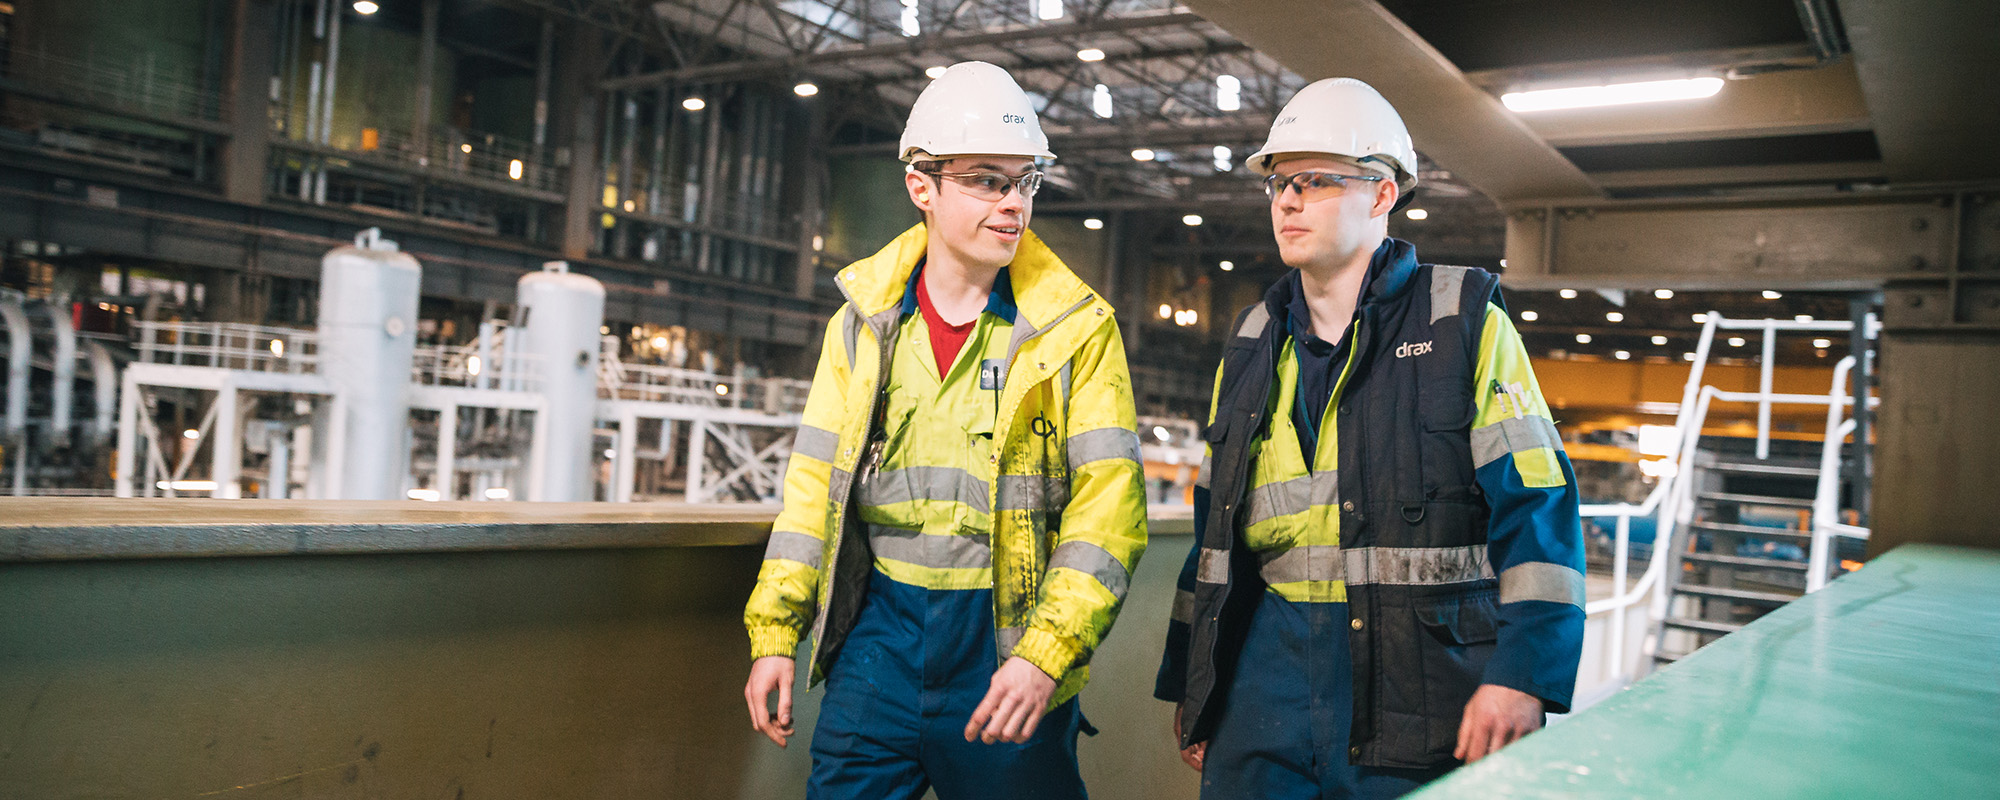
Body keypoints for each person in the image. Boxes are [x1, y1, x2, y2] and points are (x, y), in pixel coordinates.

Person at [1153, 77, 1586, 799]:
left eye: (1317, 180)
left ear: (1383, 194)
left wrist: (1523, 674)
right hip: (1264, 691)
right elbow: (1214, 540)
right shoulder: (1254, 340)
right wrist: (1191, 685)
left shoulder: (1461, 320)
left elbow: (1538, 510)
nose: (1288, 200)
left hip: (1421, 691)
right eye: (1280, 184)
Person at [741, 61, 1149, 800]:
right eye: (987, 180)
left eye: (1025, 181)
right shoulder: (863, 327)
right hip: (878, 644)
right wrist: (777, 632)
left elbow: (1107, 514)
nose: (1013, 204)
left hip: (1005, 651)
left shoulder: (1074, 332)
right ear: (920, 186)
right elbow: (813, 491)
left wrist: (1045, 654)